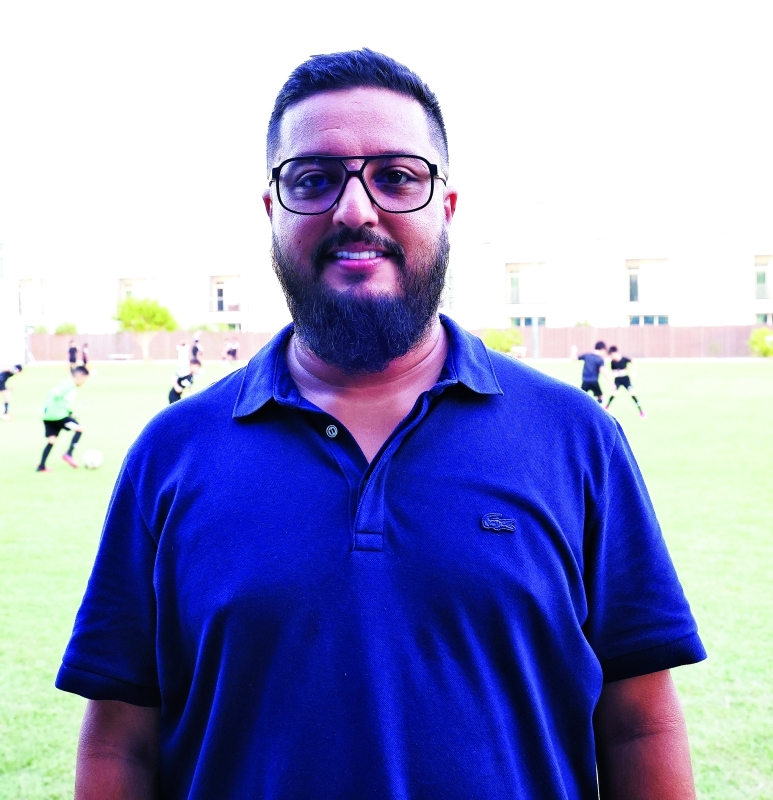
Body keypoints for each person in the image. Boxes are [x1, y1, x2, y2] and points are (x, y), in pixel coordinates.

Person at [56, 50, 705, 799]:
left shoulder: (576, 439)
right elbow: (121, 742)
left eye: (396, 176)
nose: (355, 210)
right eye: (313, 179)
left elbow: (638, 726)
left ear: (446, 208)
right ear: (272, 211)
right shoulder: (171, 454)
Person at [37, 365, 89, 471]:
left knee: (51, 440)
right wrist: (64, 412)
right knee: (80, 429)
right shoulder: (70, 385)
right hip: (59, 417)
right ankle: (69, 454)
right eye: (84, 379)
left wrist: (67, 412)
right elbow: (55, 395)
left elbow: (55, 396)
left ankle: (41, 467)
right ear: (80, 376)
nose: (84, 382)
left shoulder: (66, 384)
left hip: (48, 416)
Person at [605, 345, 645, 417]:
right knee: (613, 393)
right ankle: (606, 407)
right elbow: (612, 371)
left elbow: (633, 362)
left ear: (615, 353)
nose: (611, 357)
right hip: (617, 380)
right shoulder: (612, 362)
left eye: (611, 355)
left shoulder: (624, 359)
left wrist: (633, 372)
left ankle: (641, 411)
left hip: (625, 379)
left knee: (632, 393)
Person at [578, 340, 608, 404]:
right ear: (602, 349)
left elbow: (574, 358)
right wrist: (611, 382)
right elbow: (602, 370)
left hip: (585, 381)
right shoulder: (599, 359)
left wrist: (573, 351)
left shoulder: (587, 355)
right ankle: (597, 408)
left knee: (580, 398)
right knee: (601, 397)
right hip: (594, 381)